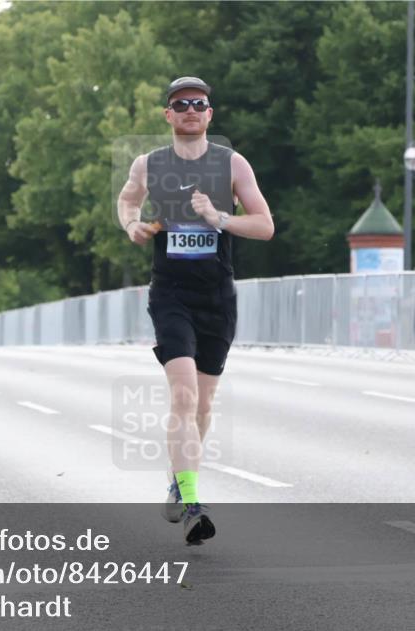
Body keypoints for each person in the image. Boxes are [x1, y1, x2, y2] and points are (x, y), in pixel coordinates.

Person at [117, 76, 274, 544]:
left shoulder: (232, 164)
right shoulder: (149, 164)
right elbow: (128, 200)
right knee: (184, 397)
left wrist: (218, 218)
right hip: (170, 294)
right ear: (168, 114)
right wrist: (132, 224)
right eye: (181, 104)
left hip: (217, 297)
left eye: (199, 104)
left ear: (210, 114)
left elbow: (265, 225)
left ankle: (177, 480)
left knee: (203, 405)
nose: (190, 110)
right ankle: (191, 503)